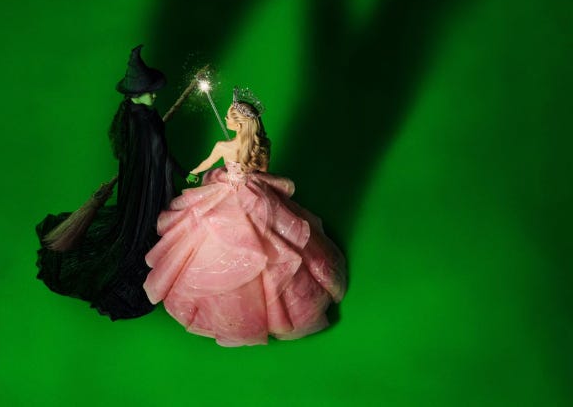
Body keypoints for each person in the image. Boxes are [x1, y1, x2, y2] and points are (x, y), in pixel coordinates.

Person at [143, 88, 347, 346]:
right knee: (270, 235)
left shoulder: (224, 146)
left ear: (239, 124)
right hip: (254, 191)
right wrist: (244, 171)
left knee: (219, 234)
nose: (226, 120)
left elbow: (207, 164)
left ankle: (248, 314)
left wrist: (192, 172)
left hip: (229, 191)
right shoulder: (261, 146)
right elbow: (262, 171)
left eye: (229, 117)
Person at [35, 45, 182, 320]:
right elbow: (159, 155)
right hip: (145, 186)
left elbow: (157, 153)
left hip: (143, 181)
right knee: (143, 223)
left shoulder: (140, 115)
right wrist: (182, 172)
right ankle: (149, 254)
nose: (154, 95)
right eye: (149, 91)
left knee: (149, 219)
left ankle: (156, 247)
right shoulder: (139, 122)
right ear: (135, 95)